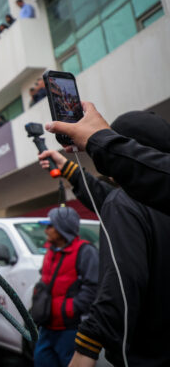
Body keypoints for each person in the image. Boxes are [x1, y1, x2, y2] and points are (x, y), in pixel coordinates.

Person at [39, 115, 170, 366]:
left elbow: (120, 284)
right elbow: (114, 201)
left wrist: (85, 348)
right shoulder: (155, 201)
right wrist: (69, 169)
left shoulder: (125, 204)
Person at [46, 103, 170, 216]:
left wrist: (98, 140)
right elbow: (104, 196)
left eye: (120, 142)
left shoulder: (126, 205)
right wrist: (69, 169)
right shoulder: (144, 201)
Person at [31, 206, 98, 367]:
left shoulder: (86, 251)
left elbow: (94, 288)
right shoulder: (50, 251)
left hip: (71, 330)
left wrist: (69, 309)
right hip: (47, 327)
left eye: (50, 226)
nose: (46, 231)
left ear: (63, 229)